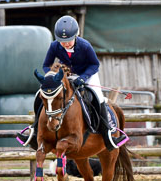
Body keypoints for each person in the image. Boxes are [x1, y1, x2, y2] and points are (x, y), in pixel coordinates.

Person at [17, 15, 127, 151]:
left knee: (98, 98)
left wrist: (84, 77)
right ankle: (34, 131)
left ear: (76, 35)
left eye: (68, 40)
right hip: (64, 76)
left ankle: (109, 134)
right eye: (62, 41)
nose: (66, 44)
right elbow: (46, 65)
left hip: (87, 75)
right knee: (41, 94)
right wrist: (51, 75)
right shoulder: (54, 46)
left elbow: (95, 64)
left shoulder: (85, 46)